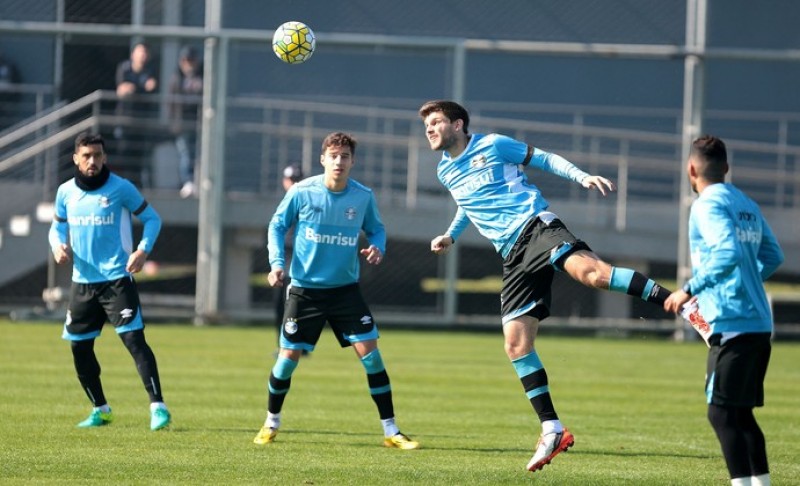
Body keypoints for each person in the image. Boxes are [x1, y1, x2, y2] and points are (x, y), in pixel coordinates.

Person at [418, 100, 678, 472]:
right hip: (512, 253)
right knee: (516, 343)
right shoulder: (445, 171)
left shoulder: (492, 145)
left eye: (437, 121)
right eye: (427, 124)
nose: (429, 129)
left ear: (458, 124)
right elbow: (467, 203)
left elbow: (544, 158)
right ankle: (552, 428)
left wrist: (581, 176)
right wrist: (450, 235)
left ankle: (683, 307)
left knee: (592, 275)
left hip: (535, 226)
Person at [253, 132, 419, 450]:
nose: (339, 161)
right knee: (287, 359)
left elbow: (377, 228)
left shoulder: (362, 196)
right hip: (305, 291)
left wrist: (377, 247)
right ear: (323, 159)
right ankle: (270, 423)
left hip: (345, 291)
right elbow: (276, 224)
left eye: (345, 156)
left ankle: (391, 431)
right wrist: (276, 263)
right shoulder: (302, 192)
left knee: (372, 359)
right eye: (333, 155)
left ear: (352, 161)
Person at [664, 136, 783, 486]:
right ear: (726, 168)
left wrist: (689, 289)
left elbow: (727, 251)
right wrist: (747, 283)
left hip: (732, 324)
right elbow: (773, 256)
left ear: (690, 169)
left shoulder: (705, 205)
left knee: (720, 413)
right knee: (740, 415)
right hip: (758, 324)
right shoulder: (746, 203)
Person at [48, 132, 171, 431]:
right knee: (79, 348)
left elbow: (153, 219)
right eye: (87, 156)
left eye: (98, 155)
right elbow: (56, 227)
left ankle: (158, 407)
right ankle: (100, 409)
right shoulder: (65, 192)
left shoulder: (120, 188)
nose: (93, 161)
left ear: (105, 158)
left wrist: (143, 250)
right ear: (76, 158)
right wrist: (57, 245)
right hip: (83, 282)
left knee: (133, 340)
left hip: (117, 279)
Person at [114, 42, 158, 183]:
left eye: (145, 53)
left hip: (141, 121)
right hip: (124, 119)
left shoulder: (150, 71)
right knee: (123, 152)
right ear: (133, 54)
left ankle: (137, 184)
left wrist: (137, 87)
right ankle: (123, 182)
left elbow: (151, 86)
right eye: (140, 52)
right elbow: (122, 90)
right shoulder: (124, 68)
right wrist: (136, 87)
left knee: (140, 155)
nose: (142, 56)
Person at [273, 163, 304, 350]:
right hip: (284, 260)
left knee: (298, 305)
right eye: (291, 180)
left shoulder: (307, 203)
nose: (293, 184)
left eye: (297, 180)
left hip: (301, 261)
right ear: (285, 181)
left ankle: (301, 344)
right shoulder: (283, 204)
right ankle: (282, 344)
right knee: (280, 305)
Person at [168, 45, 203, 198]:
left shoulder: (203, 77)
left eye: (190, 60)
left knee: (200, 154)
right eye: (185, 60)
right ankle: (188, 182)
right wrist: (173, 123)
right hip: (182, 124)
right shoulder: (177, 78)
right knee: (185, 153)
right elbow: (171, 103)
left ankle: (200, 182)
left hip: (201, 123)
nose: (188, 64)